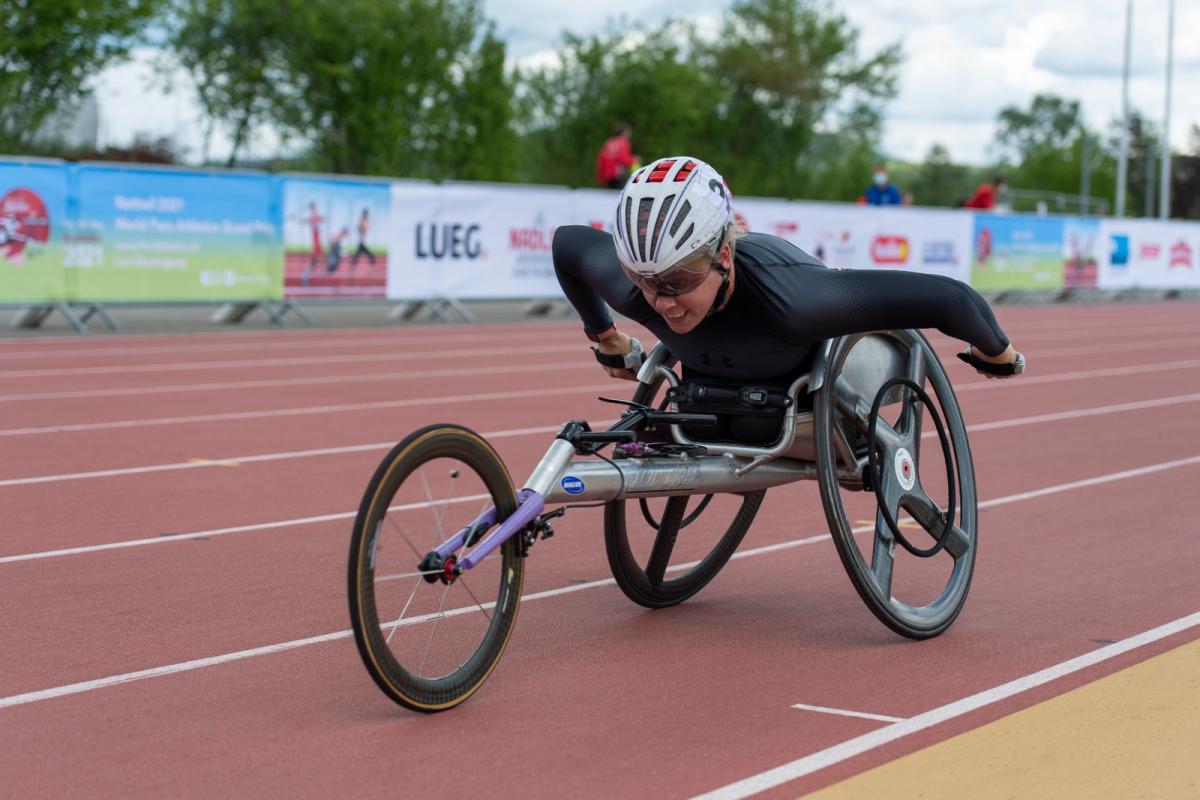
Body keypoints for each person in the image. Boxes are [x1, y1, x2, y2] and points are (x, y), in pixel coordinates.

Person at [553, 156, 1023, 398]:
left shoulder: (797, 302)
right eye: (646, 280)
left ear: (723, 255)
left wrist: (998, 353)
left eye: (679, 282)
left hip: (799, 358)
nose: (662, 302)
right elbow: (566, 244)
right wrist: (606, 338)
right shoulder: (635, 290)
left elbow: (951, 300)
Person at [596, 123, 639, 189]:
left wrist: (600, 176)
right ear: (624, 132)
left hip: (607, 174)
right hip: (618, 174)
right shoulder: (624, 142)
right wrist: (634, 160)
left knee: (610, 194)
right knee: (619, 194)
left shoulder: (609, 142)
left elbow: (601, 159)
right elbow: (623, 158)